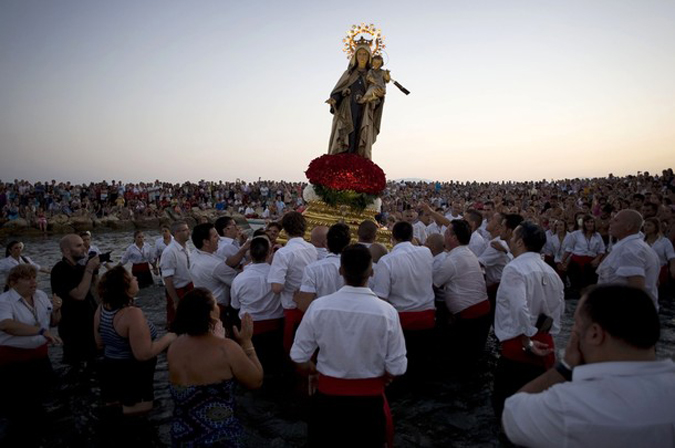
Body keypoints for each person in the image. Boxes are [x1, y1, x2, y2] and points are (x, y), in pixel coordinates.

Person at [502, 285, 675, 447]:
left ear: (595, 334)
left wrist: (565, 367)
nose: (574, 332)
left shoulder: (568, 406)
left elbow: (511, 413)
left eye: (576, 325)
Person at [291, 244, 407, 448]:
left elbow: (299, 356)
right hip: (369, 404)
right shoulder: (387, 312)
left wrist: (314, 371)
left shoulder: (319, 307)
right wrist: (383, 377)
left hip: (328, 400)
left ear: (340, 271)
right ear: (371, 272)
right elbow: (397, 367)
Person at [168, 288, 263, 447]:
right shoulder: (226, 349)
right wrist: (247, 343)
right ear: (211, 314)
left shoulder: (174, 346)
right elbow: (256, 381)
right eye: (215, 303)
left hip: (183, 434)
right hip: (219, 437)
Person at [493, 221, 565, 419]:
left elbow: (518, 307)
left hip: (521, 344)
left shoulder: (514, 269)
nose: (509, 239)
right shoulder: (551, 272)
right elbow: (558, 310)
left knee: (506, 405)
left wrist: (527, 339)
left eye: (513, 236)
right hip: (545, 339)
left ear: (520, 242)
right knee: (535, 408)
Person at [94, 266, 176, 415]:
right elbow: (143, 354)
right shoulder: (132, 313)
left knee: (113, 413)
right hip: (132, 374)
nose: (136, 278)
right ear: (124, 288)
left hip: (110, 370)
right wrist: (169, 338)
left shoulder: (102, 308)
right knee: (138, 419)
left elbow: (99, 342)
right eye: (132, 278)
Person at [0, 265, 62, 444]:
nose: (34, 282)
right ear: (13, 283)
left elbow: (53, 322)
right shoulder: (4, 300)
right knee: (19, 409)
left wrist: (57, 309)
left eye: (34, 277)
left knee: (45, 399)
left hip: (40, 358)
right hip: (14, 363)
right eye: (28, 278)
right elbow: (6, 325)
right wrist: (41, 331)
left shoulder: (41, 296)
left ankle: (43, 436)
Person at [372, 221, 435, 377]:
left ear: (393, 238)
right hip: (427, 316)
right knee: (422, 364)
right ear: (412, 236)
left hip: (402, 320)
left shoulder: (387, 261)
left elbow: (381, 298)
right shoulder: (426, 253)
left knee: (402, 364)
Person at [433, 220, 490, 368]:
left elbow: (433, 284)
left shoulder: (452, 259)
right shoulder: (467, 252)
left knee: (462, 359)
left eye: (446, 233)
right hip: (480, 311)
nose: (444, 236)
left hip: (470, 315)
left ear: (454, 238)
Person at [231, 236, 284, 375]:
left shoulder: (239, 279)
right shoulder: (278, 276)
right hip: (276, 326)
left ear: (250, 254)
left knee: (254, 364)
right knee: (275, 365)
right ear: (269, 253)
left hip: (251, 327)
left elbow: (235, 305)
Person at [268, 211, 317, 352]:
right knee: (308, 348)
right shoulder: (312, 249)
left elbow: (276, 287)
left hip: (292, 306)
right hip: (309, 305)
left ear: (285, 229)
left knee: (293, 350)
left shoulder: (283, 253)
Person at [327, 44, 384, 160]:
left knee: (360, 135)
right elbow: (337, 90)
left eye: (365, 54)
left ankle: (358, 160)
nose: (362, 57)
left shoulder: (372, 75)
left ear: (369, 57)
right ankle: (344, 158)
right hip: (347, 110)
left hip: (364, 111)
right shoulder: (348, 74)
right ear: (355, 56)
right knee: (347, 135)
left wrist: (377, 95)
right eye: (359, 54)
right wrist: (336, 98)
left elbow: (378, 93)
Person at [51, 234, 100, 365]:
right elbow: (79, 295)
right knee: (76, 366)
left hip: (89, 325)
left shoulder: (78, 268)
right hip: (73, 328)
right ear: (67, 250)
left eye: (84, 245)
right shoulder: (60, 269)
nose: (84, 248)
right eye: (79, 245)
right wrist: (89, 269)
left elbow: (94, 292)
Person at [597, 209, 660, 309]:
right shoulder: (633, 247)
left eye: (616, 220)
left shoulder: (630, 251)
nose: (610, 222)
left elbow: (635, 291)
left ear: (629, 226)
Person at [189, 223, 238, 328]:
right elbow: (237, 281)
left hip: (204, 303)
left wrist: (242, 249)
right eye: (215, 236)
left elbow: (226, 262)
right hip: (218, 308)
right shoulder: (214, 265)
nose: (219, 239)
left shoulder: (195, 254)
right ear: (206, 242)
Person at [295, 223, 351, 312]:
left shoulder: (313, 269)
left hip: (321, 316)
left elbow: (304, 305)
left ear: (326, 243)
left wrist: (297, 298)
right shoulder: (356, 267)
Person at [160, 220, 193, 326]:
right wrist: (175, 300)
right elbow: (167, 278)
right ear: (176, 233)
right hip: (177, 290)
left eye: (188, 229)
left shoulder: (186, 247)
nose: (189, 232)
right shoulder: (169, 252)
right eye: (185, 230)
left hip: (188, 287)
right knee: (176, 322)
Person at [560, 215, 605, 292]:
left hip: (590, 264)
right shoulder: (575, 234)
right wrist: (562, 261)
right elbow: (569, 249)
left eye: (591, 222)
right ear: (583, 223)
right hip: (576, 263)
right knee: (577, 286)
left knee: (589, 286)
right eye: (587, 222)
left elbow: (602, 250)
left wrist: (597, 259)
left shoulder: (597, 235)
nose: (590, 224)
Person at [643, 217, 675, 298]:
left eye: (649, 225)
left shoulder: (664, 241)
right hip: (644, 272)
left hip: (661, 271)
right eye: (645, 225)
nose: (646, 227)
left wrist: (672, 268)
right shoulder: (641, 242)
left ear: (656, 227)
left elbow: (671, 257)